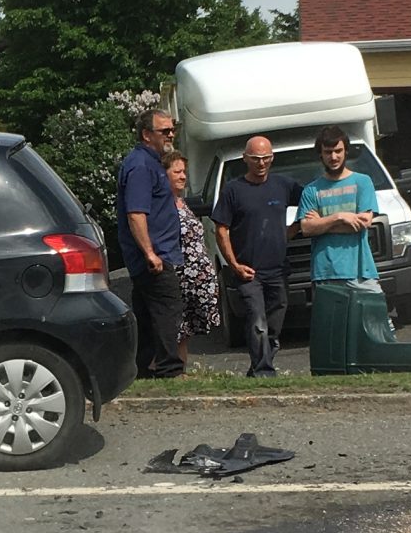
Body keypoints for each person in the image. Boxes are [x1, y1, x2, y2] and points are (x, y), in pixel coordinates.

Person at [212, 132, 299, 377]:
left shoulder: (283, 185)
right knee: (257, 320)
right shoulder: (233, 190)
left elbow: (311, 201)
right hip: (249, 273)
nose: (261, 163)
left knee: (274, 322)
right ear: (245, 159)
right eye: (256, 158)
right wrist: (234, 265)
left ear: (272, 159)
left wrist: (296, 227)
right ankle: (264, 371)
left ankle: (260, 364)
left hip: (279, 269)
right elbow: (221, 229)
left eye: (266, 158)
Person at [115, 104, 185, 377]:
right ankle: (170, 369)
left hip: (156, 254)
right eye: (164, 131)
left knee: (146, 313)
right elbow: (136, 214)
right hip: (154, 256)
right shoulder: (141, 166)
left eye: (172, 130)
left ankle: (142, 368)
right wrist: (150, 253)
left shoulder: (150, 162)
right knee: (168, 308)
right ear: (146, 134)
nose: (170, 135)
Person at [297, 125, 381, 286]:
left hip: (361, 271)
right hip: (325, 272)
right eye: (328, 152)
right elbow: (307, 229)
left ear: (346, 151)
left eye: (338, 151)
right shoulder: (311, 190)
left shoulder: (363, 182)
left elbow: (363, 223)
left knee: (372, 311)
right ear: (320, 155)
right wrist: (340, 217)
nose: (334, 157)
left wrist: (321, 224)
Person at [165, 155, 219, 365]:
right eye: (177, 172)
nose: (183, 177)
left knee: (185, 330)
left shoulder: (182, 202)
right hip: (178, 276)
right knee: (175, 328)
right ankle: (165, 369)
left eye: (184, 172)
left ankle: (180, 369)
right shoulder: (163, 205)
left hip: (196, 278)